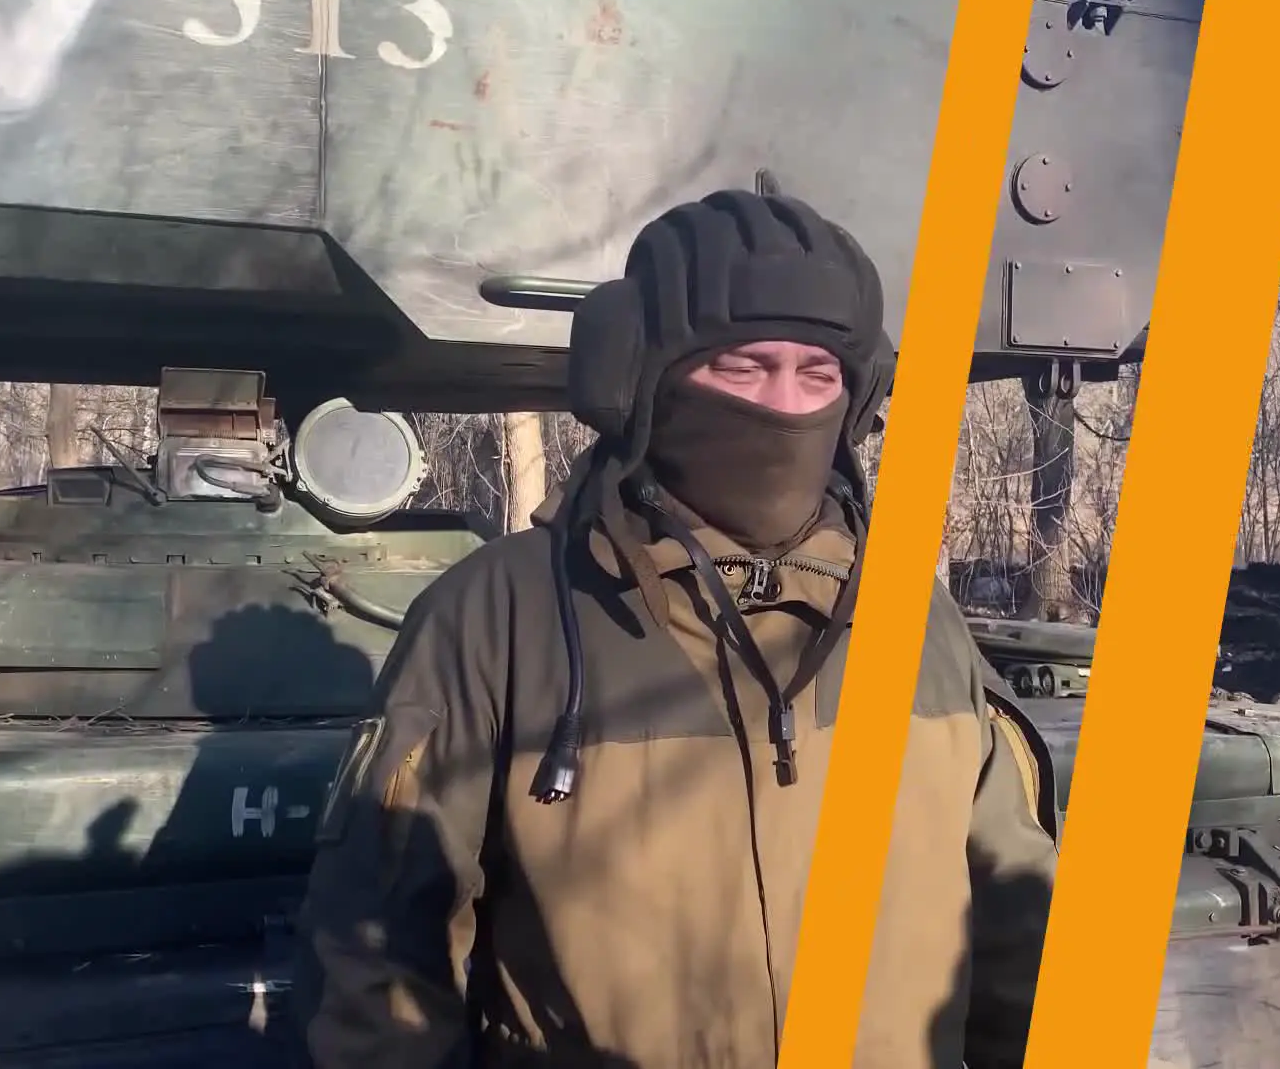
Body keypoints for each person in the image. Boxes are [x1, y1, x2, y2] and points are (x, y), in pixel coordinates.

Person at [289, 189, 1058, 1069]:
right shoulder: (500, 615)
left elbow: (1021, 929)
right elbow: (376, 966)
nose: (784, 405)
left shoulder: (916, 621)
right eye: (743, 368)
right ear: (640, 380)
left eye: (818, 375)